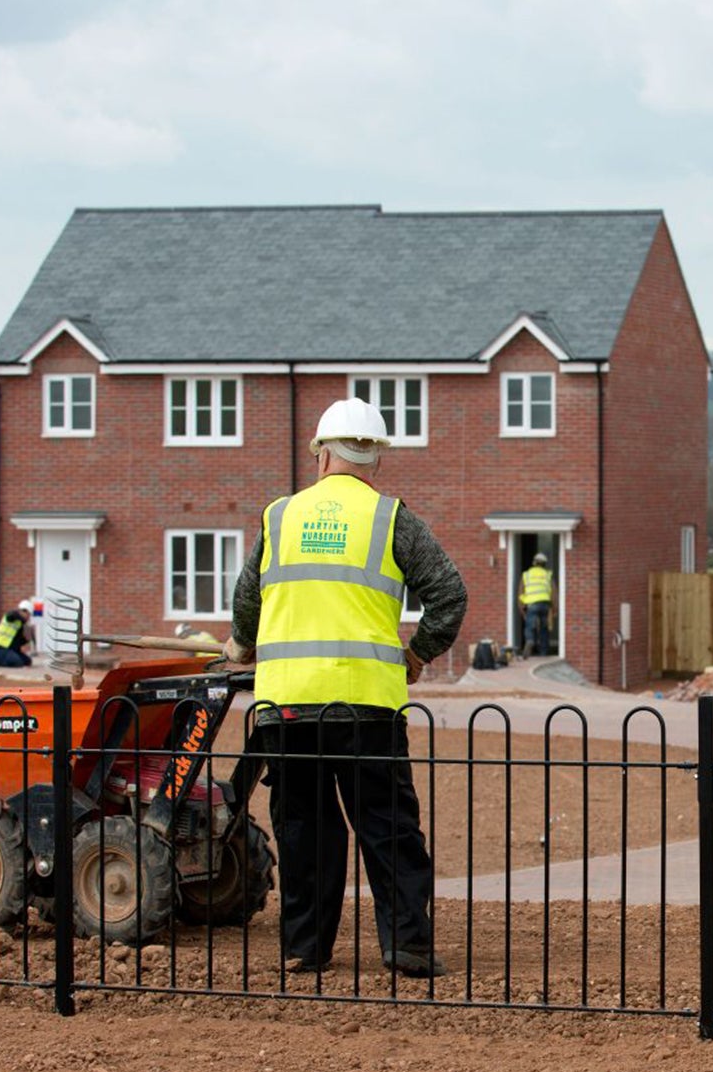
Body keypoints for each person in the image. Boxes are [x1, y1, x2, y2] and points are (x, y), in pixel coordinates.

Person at [226, 397, 467, 978]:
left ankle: (304, 948)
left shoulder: (278, 516)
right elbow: (449, 595)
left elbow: (247, 599)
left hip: (287, 706)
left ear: (320, 454)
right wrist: (417, 655)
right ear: (376, 458)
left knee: (305, 830)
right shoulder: (391, 519)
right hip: (368, 707)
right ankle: (406, 946)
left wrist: (240, 643)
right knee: (388, 829)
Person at [517, 552, 552, 656]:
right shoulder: (547, 574)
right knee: (544, 628)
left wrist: (521, 606)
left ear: (534, 562)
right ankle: (543, 652)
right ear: (544, 564)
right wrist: (555, 608)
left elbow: (521, 591)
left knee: (530, 626)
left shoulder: (527, 574)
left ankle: (530, 640)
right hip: (545, 604)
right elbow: (553, 592)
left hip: (531, 604)